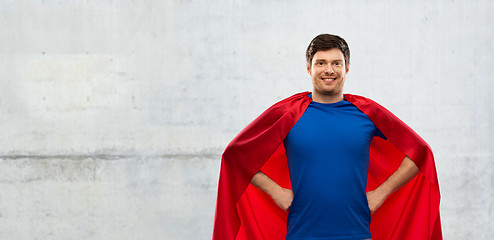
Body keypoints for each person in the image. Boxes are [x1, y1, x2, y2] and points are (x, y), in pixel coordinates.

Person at [213, 34, 442, 240]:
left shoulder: (367, 113)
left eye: (336, 63)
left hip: (357, 233)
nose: (329, 70)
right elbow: (236, 156)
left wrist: (381, 193)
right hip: (301, 234)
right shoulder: (288, 114)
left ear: (347, 68)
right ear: (309, 69)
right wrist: (275, 191)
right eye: (321, 63)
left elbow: (420, 152)